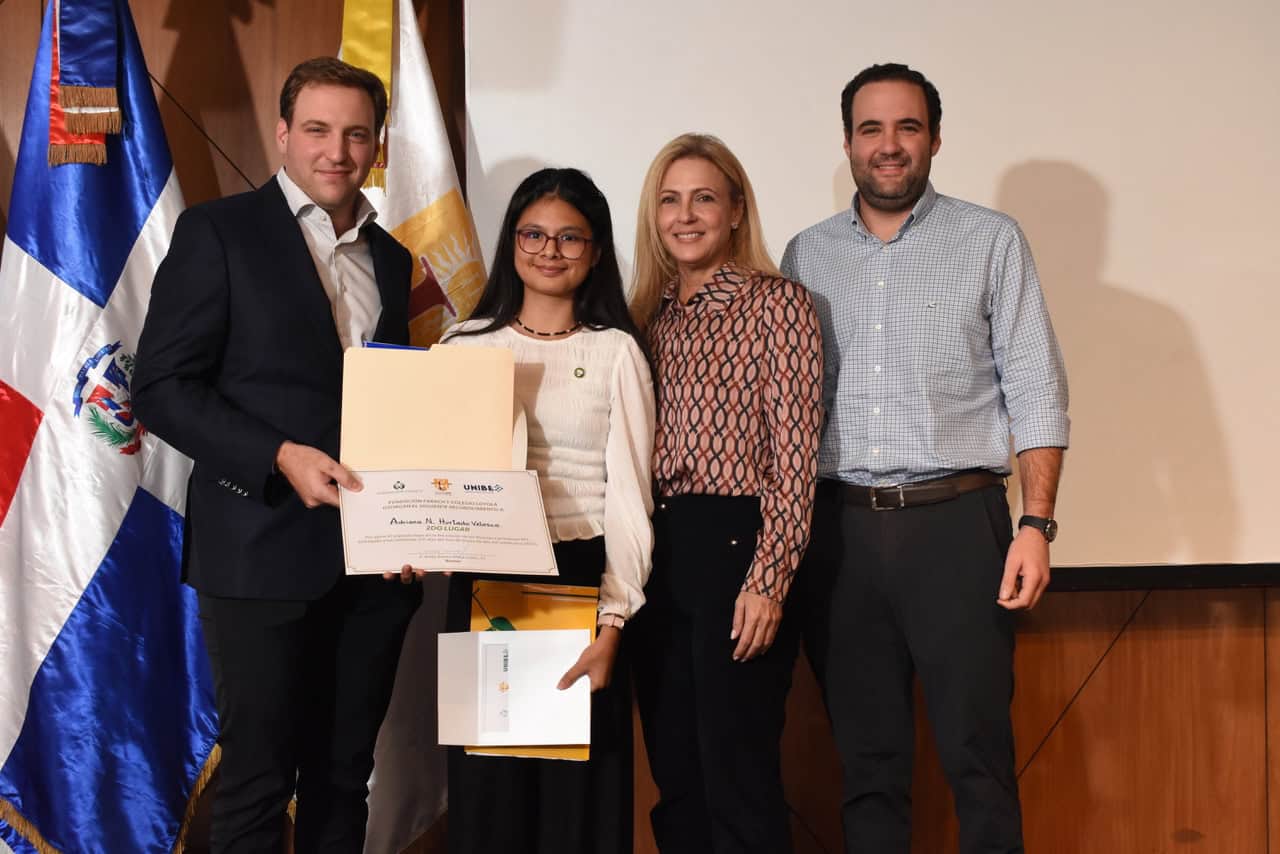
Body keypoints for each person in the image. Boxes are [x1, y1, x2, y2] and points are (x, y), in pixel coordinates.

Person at [132, 57, 422, 853]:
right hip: (258, 552)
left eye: (357, 134)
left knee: (343, 777)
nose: (338, 151)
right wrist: (279, 454)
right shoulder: (217, 232)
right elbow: (160, 386)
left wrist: (417, 524)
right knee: (259, 781)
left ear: (377, 145)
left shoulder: (393, 261)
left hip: (373, 567)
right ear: (285, 134)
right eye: (320, 130)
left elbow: (394, 405)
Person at [781, 63, 1070, 854]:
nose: (889, 145)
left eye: (907, 127)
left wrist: (1036, 522)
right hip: (839, 533)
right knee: (867, 766)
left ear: (935, 138)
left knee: (977, 759)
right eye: (871, 129)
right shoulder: (805, 256)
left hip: (957, 531)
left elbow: (1036, 389)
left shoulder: (990, 240)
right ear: (847, 142)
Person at [439, 167, 654, 854]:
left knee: (574, 810)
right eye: (533, 233)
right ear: (511, 242)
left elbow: (629, 497)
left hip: (578, 580)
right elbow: (428, 480)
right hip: (483, 581)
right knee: (489, 801)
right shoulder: (462, 345)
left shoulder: (616, 350)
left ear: (595, 251)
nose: (549, 250)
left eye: (570, 237)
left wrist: (613, 619)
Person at [629, 133, 823, 853]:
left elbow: (796, 456)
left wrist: (768, 580)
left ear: (736, 210)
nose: (686, 215)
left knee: (736, 773)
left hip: (740, 548)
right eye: (670, 200)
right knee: (676, 775)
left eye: (704, 198)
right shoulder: (644, 317)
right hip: (658, 551)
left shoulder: (780, 306)